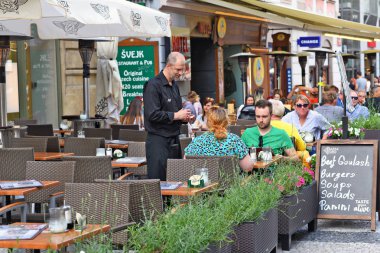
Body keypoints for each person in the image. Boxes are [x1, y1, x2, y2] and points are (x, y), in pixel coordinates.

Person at [143, 52, 194, 181]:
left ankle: (173, 203)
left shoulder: (174, 86)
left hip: (174, 140)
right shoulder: (153, 85)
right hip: (158, 141)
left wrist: (184, 117)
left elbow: (175, 112)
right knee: (158, 182)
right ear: (168, 66)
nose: (181, 73)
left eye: (182, 70)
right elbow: (152, 114)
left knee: (175, 180)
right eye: (178, 69)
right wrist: (176, 115)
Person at [185, 106, 255, 172]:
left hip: (203, 183)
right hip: (229, 183)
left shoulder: (197, 141)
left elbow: (184, 165)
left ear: (207, 123)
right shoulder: (234, 140)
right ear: (226, 122)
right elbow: (248, 167)